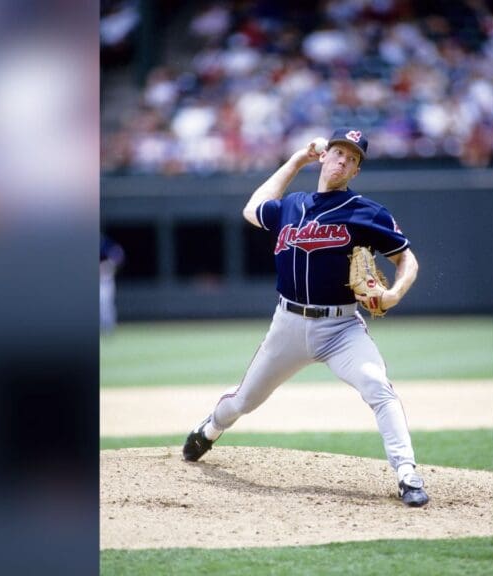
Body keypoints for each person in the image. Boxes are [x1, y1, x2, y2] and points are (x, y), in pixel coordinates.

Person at [181, 128, 429, 507]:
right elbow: (253, 208)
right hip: (288, 326)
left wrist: (394, 293)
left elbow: (406, 257)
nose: (343, 161)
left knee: (378, 387)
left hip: (341, 327)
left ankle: (407, 473)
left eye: (352, 158)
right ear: (324, 156)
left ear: (355, 171)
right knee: (244, 400)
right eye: (338, 152)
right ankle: (210, 429)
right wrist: (297, 159)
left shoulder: (367, 211)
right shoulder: (291, 205)